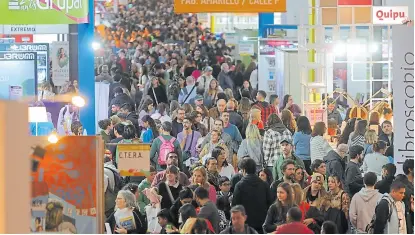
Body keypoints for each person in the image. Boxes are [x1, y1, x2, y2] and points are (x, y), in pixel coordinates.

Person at [232, 158, 272, 233]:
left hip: (245, 225)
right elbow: (270, 204)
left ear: (244, 170)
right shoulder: (264, 184)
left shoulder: (240, 185)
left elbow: (235, 206)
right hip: (262, 224)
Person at [263, 114, 293, 179]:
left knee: (274, 184)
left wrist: (265, 162)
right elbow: (292, 147)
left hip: (272, 163)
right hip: (287, 162)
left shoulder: (269, 132)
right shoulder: (287, 131)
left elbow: (266, 150)